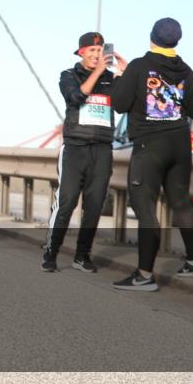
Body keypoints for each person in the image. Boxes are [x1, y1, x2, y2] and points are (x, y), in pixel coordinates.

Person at [112, 18, 193, 291]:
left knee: (145, 209)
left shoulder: (139, 67)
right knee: (181, 203)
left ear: (151, 37)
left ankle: (144, 275)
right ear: (176, 41)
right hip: (179, 145)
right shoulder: (186, 71)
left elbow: (119, 104)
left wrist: (121, 75)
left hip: (149, 146)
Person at [42, 32, 126, 273]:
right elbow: (75, 97)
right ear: (81, 52)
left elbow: (122, 104)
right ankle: (51, 252)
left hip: (101, 148)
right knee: (66, 202)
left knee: (95, 203)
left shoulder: (110, 78)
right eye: (91, 51)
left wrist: (124, 72)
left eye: (100, 51)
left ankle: (82, 255)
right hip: (75, 147)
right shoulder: (68, 75)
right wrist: (98, 72)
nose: (96, 55)